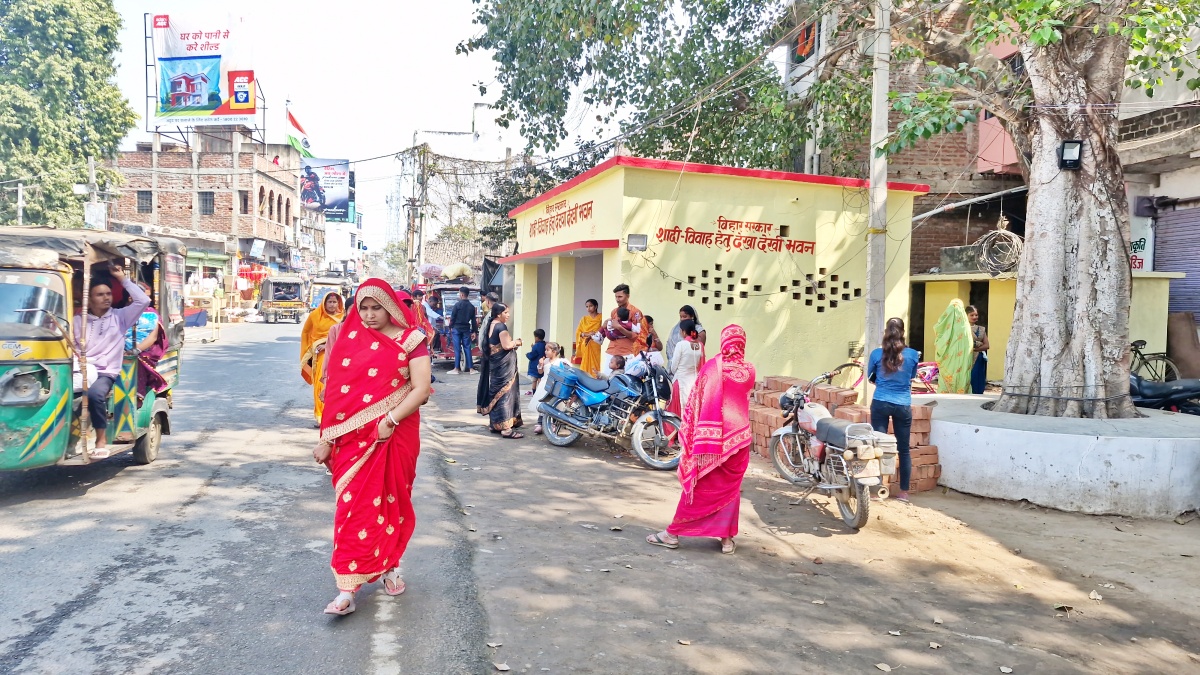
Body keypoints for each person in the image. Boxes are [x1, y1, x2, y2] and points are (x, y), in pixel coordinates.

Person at [312, 279, 432, 616]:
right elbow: (337, 394)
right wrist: (326, 439)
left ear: (390, 307)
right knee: (353, 508)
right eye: (362, 308)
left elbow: (420, 388)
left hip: (397, 432)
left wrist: (390, 420)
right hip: (353, 438)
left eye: (375, 307)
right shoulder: (350, 340)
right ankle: (347, 589)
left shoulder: (412, 340)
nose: (367, 315)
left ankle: (390, 566)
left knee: (392, 503)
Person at [647, 325, 755, 555]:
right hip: (739, 441)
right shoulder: (749, 371)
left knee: (698, 486)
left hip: (710, 443)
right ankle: (726, 541)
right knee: (730, 491)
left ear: (724, 342)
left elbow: (697, 402)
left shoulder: (712, 369)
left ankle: (672, 534)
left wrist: (689, 431)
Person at [74, 263, 150, 458]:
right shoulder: (77, 321)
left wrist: (122, 278)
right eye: (100, 295)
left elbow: (143, 300)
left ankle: (100, 440)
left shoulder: (120, 317)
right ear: (89, 299)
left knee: (95, 396)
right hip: (79, 370)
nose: (106, 297)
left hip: (105, 372)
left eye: (108, 294)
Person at [867, 317, 920, 503]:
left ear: (886, 332)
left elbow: (870, 377)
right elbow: (911, 377)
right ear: (903, 333)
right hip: (903, 404)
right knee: (903, 449)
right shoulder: (913, 355)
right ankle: (904, 492)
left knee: (878, 448)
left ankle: (876, 490)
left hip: (881, 402)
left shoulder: (875, 354)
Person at [478, 303, 525, 438]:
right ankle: (506, 429)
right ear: (499, 314)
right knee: (505, 393)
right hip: (503, 367)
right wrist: (517, 342)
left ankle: (495, 424)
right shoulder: (501, 326)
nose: (508, 315)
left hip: (495, 364)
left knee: (497, 394)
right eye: (506, 313)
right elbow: (506, 345)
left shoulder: (490, 324)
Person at [301, 292, 346, 426]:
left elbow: (347, 334)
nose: (332, 305)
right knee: (321, 384)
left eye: (334, 302)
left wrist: (328, 343)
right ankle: (322, 417)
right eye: (329, 302)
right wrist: (312, 347)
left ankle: (336, 416)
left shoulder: (343, 317)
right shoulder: (315, 315)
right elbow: (306, 332)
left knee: (339, 386)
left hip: (340, 354)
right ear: (324, 303)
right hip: (321, 355)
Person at [126, 280, 169, 402]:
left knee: (137, 361)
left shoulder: (151, 314)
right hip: (121, 349)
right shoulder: (121, 312)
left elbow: (153, 337)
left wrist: (136, 349)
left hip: (143, 351)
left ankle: (137, 397)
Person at [603, 284, 648, 375]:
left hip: (626, 352)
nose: (617, 299)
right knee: (606, 380)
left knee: (624, 381)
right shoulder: (614, 311)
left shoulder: (635, 312)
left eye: (620, 297)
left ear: (627, 296)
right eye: (616, 297)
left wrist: (620, 328)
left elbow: (637, 336)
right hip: (612, 350)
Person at [666, 319, 706, 416]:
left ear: (683, 331)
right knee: (692, 409)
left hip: (681, 381)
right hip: (694, 381)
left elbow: (673, 367)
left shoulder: (681, 344)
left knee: (678, 410)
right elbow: (701, 364)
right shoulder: (699, 345)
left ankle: (677, 429)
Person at [934, 299, 974, 394]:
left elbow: (938, 333)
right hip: (963, 362)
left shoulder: (945, 325)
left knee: (947, 378)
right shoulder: (966, 327)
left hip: (948, 360)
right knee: (962, 376)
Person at [529, 341, 567, 435]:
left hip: (556, 386)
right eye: (545, 350)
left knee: (553, 405)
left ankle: (553, 423)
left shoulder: (561, 362)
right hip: (544, 385)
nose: (545, 352)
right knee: (543, 403)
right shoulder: (545, 360)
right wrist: (540, 364)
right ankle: (540, 423)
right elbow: (540, 372)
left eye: (547, 350)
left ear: (554, 351)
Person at [475, 291, 502, 413]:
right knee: (490, 381)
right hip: (491, 352)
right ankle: (487, 406)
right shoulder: (494, 316)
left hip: (489, 352)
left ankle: (485, 405)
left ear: (487, 301)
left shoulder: (493, 316)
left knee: (488, 380)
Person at [448, 286, 478, 375]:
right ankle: (471, 369)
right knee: (467, 348)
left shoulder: (457, 305)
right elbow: (473, 320)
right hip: (466, 329)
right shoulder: (472, 307)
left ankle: (456, 369)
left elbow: (452, 318)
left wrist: (450, 326)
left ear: (461, 294)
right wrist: (474, 331)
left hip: (456, 329)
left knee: (457, 349)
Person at [574, 299, 603, 377]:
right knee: (586, 364)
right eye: (587, 307)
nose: (588, 308)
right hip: (586, 344)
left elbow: (603, 330)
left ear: (596, 306)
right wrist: (587, 334)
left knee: (597, 364)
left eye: (591, 306)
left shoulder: (601, 317)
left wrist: (594, 334)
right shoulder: (584, 319)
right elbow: (579, 333)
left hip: (597, 345)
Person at [967, 304, 990, 395]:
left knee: (978, 377)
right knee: (969, 377)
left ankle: (978, 394)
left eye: (976, 315)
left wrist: (974, 349)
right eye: (972, 315)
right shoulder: (962, 329)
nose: (974, 317)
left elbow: (987, 345)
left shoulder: (981, 329)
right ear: (966, 316)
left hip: (979, 358)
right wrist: (978, 344)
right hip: (966, 358)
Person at [525, 329, 546, 395]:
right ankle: (540, 393)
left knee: (534, 381)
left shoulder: (536, 346)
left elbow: (532, 355)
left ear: (536, 337)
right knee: (540, 379)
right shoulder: (545, 345)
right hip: (542, 366)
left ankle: (534, 393)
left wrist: (527, 354)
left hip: (534, 367)